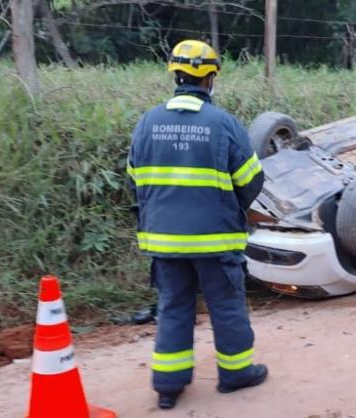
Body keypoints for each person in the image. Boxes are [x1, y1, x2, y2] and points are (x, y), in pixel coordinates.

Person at [127, 39, 268, 410]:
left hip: (164, 243)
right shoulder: (223, 124)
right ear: (210, 78)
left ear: (175, 74)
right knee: (225, 305)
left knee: (173, 306)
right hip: (215, 241)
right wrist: (230, 208)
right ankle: (236, 374)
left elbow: (134, 182)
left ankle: (168, 387)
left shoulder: (147, 122)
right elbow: (252, 179)